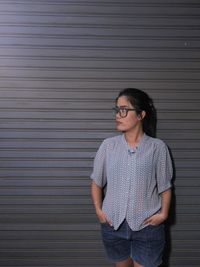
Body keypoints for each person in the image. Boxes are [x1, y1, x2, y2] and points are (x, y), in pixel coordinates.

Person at [90, 88, 173, 267]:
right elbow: (97, 182)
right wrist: (99, 210)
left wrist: (163, 214)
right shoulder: (108, 146)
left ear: (141, 115)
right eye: (117, 110)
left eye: (124, 110)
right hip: (113, 226)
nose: (118, 115)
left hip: (147, 229)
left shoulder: (157, 148)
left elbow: (165, 187)